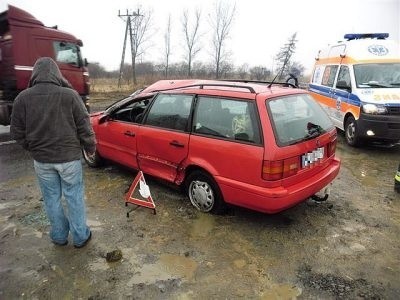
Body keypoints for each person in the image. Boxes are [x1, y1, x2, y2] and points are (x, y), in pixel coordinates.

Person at [10, 57, 96, 248]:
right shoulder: (70, 95)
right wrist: (90, 148)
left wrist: (31, 147)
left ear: (35, 75)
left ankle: (59, 236)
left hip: (42, 160)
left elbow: (16, 132)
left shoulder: (22, 98)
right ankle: (81, 236)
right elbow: (85, 127)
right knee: (74, 197)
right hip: (69, 160)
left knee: (51, 199)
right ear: (57, 74)